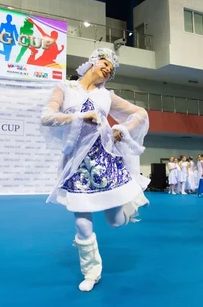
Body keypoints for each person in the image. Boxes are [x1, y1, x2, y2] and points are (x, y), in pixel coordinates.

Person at [40, 47, 150, 292]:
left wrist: (123, 128)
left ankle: (127, 204)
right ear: (92, 61)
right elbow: (47, 117)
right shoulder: (65, 89)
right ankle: (92, 271)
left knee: (115, 222)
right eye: (105, 63)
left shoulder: (107, 96)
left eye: (111, 69)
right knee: (82, 223)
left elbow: (140, 113)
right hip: (77, 165)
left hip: (106, 161)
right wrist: (79, 117)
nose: (108, 69)